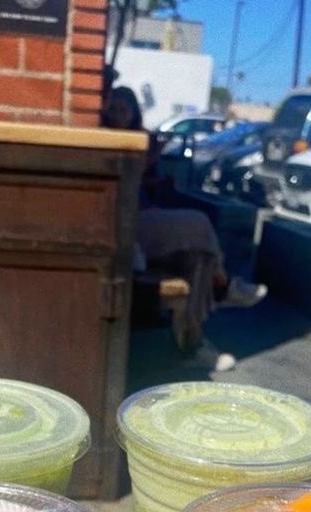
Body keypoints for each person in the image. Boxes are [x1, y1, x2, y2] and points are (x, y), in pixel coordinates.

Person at [103, 86, 266, 371]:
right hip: (123, 225)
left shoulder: (142, 136)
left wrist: (157, 175)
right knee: (198, 223)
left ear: (133, 113)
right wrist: (149, 159)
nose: (117, 114)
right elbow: (121, 187)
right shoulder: (108, 140)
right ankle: (223, 286)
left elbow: (144, 187)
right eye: (112, 108)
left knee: (196, 258)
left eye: (123, 109)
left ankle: (192, 343)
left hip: (142, 218)